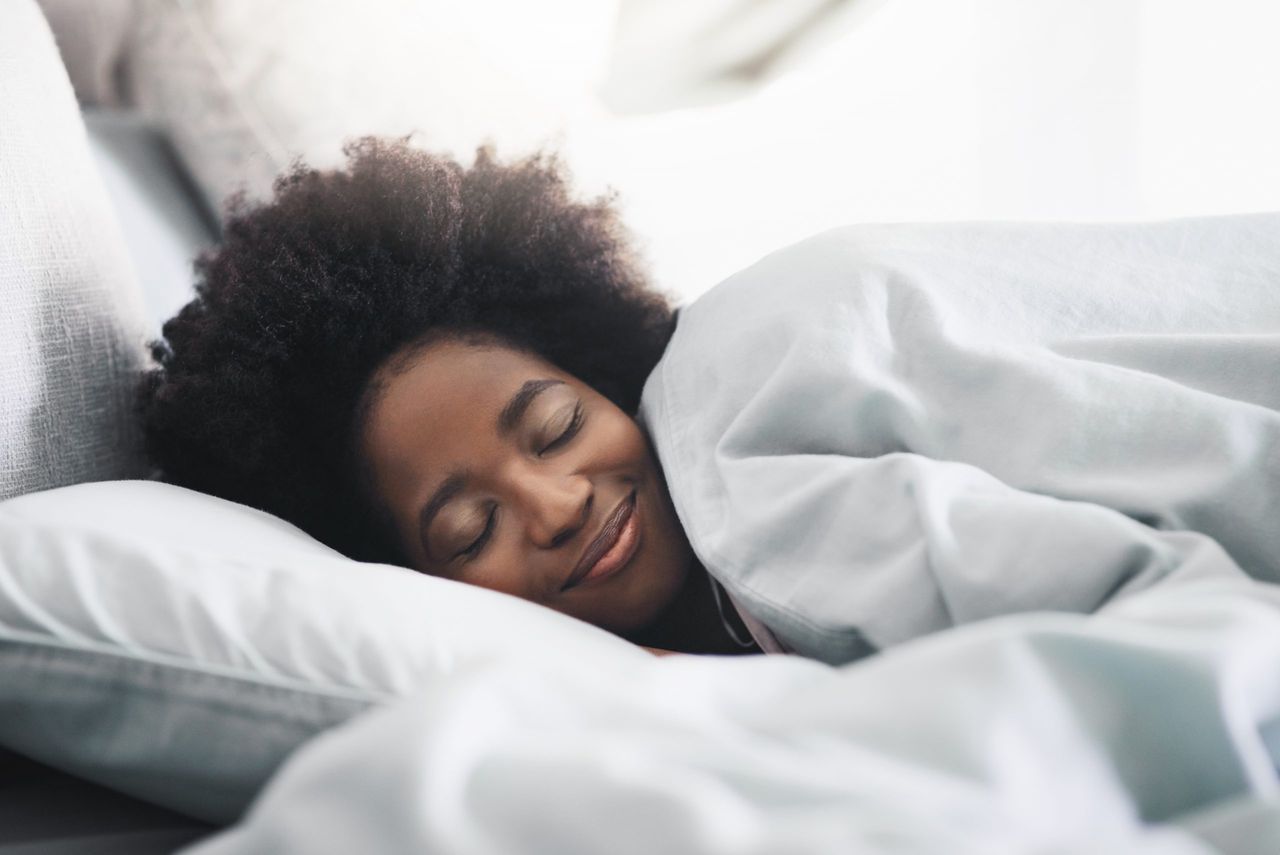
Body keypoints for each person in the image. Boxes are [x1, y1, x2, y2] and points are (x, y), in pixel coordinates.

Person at [140, 138, 1280, 664]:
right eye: (468, 528)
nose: (552, 502)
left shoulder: (736, 437)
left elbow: (1169, 623)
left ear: (606, 369)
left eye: (553, 426)